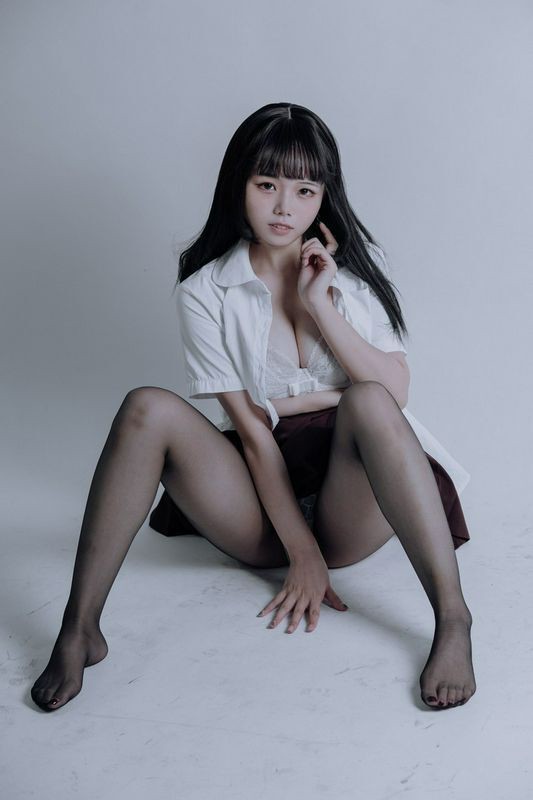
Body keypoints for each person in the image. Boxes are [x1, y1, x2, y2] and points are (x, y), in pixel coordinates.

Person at [31, 102, 476, 713]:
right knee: (145, 407)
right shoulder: (205, 291)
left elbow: (394, 394)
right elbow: (254, 431)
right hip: (258, 502)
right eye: (267, 185)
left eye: (304, 190)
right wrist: (301, 551)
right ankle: (79, 627)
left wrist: (319, 303)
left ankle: (453, 619)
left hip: (356, 497)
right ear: (238, 185)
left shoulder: (350, 281)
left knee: (369, 400)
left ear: (324, 198)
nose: (284, 208)